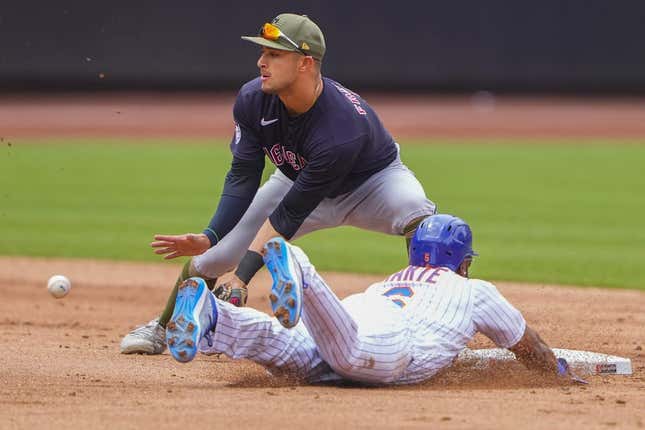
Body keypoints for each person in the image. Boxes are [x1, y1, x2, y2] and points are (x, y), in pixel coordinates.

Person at [120, 13, 436, 355]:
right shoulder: (253, 100)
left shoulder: (341, 129)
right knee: (213, 258)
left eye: (274, 54)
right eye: (262, 52)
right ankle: (163, 326)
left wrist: (242, 279)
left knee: (418, 212)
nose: (261, 62)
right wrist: (211, 235)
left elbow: (290, 213)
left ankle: (435, 320)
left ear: (305, 63)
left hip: (371, 184)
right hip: (293, 178)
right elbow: (243, 174)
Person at [163, 214, 586, 385]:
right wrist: (558, 373)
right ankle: (295, 263)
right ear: (463, 262)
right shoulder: (474, 291)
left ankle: (213, 314)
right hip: (389, 343)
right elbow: (528, 347)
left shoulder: (394, 279)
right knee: (347, 356)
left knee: (287, 349)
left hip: (357, 313)